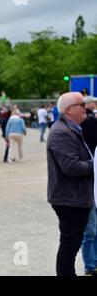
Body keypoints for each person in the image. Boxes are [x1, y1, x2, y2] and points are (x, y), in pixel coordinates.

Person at [47, 92, 94, 276]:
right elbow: (71, 166)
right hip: (69, 198)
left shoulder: (71, 129)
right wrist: (95, 165)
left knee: (71, 242)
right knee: (69, 244)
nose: (86, 107)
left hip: (74, 196)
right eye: (81, 104)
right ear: (69, 110)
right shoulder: (61, 132)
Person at [80, 96, 97, 276]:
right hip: (88, 187)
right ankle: (90, 265)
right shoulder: (86, 124)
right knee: (91, 230)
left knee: (93, 230)